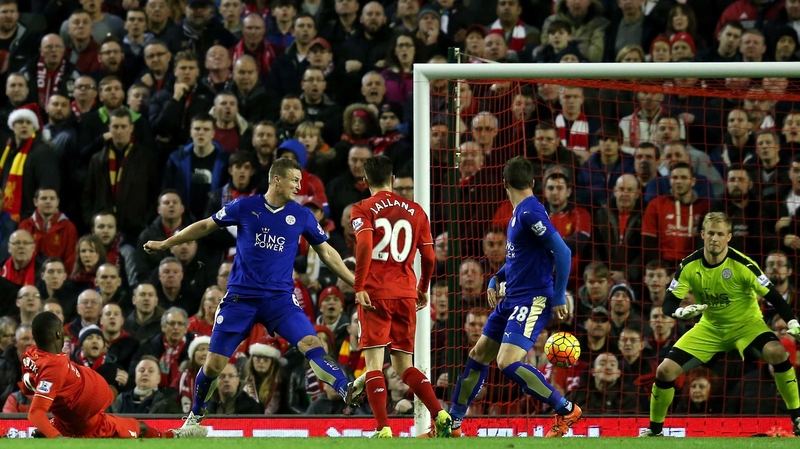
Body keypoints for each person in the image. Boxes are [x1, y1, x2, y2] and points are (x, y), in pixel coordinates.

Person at [143, 157, 364, 428]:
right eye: (295, 180)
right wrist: (168, 243)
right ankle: (196, 416)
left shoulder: (302, 215)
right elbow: (205, 225)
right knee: (213, 365)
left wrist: (357, 283)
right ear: (277, 179)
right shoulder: (245, 206)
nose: (299, 186)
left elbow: (327, 253)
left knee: (311, 343)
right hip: (240, 299)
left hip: (279, 300)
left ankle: (345, 388)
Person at [446, 156, 579, 437]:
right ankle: (453, 424)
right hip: (511, 299)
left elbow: (563, 252)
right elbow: (519, 258)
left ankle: (566, 409)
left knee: (506, 362)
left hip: (532, 300)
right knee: (478, 354)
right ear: (533, 182)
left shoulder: (530, 212)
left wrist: (558, 297)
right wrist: (496, 277)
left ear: (504, 183)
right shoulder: (521, 212)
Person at [640, 212, 800, 437]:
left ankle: (798, 418)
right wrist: (680, 312)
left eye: (720, 234)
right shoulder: (689, 265)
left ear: (729, 237)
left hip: (747, 326)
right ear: (702, 234)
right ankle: (655, 431)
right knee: (664, 371)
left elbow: (773, 295)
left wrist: (792, 321)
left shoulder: (744, 264)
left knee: (777, 352)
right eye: (711, 233)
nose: (715, 238)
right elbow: (668, 303)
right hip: (710, 328)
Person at [348, 155, 447, 438]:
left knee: (374, 364)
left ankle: (383, 428)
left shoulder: (362, 208)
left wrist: (359, 285)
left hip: (376, 294)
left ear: (365, 181)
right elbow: (429, 256)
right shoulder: (416, 211)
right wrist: (423, 287)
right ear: (392, 180)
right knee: (404, 365)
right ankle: (440, 414)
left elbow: (364, 245)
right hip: (405, 293)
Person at [20, 312, 206, 439]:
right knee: (139, 427)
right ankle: (175, 435)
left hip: (89, 399)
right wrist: (58, 439)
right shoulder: (54, 369)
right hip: (91, 423)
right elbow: (35, 412)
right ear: (58, 333)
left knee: (112, 389)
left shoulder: (31, 354)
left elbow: (30, 384)